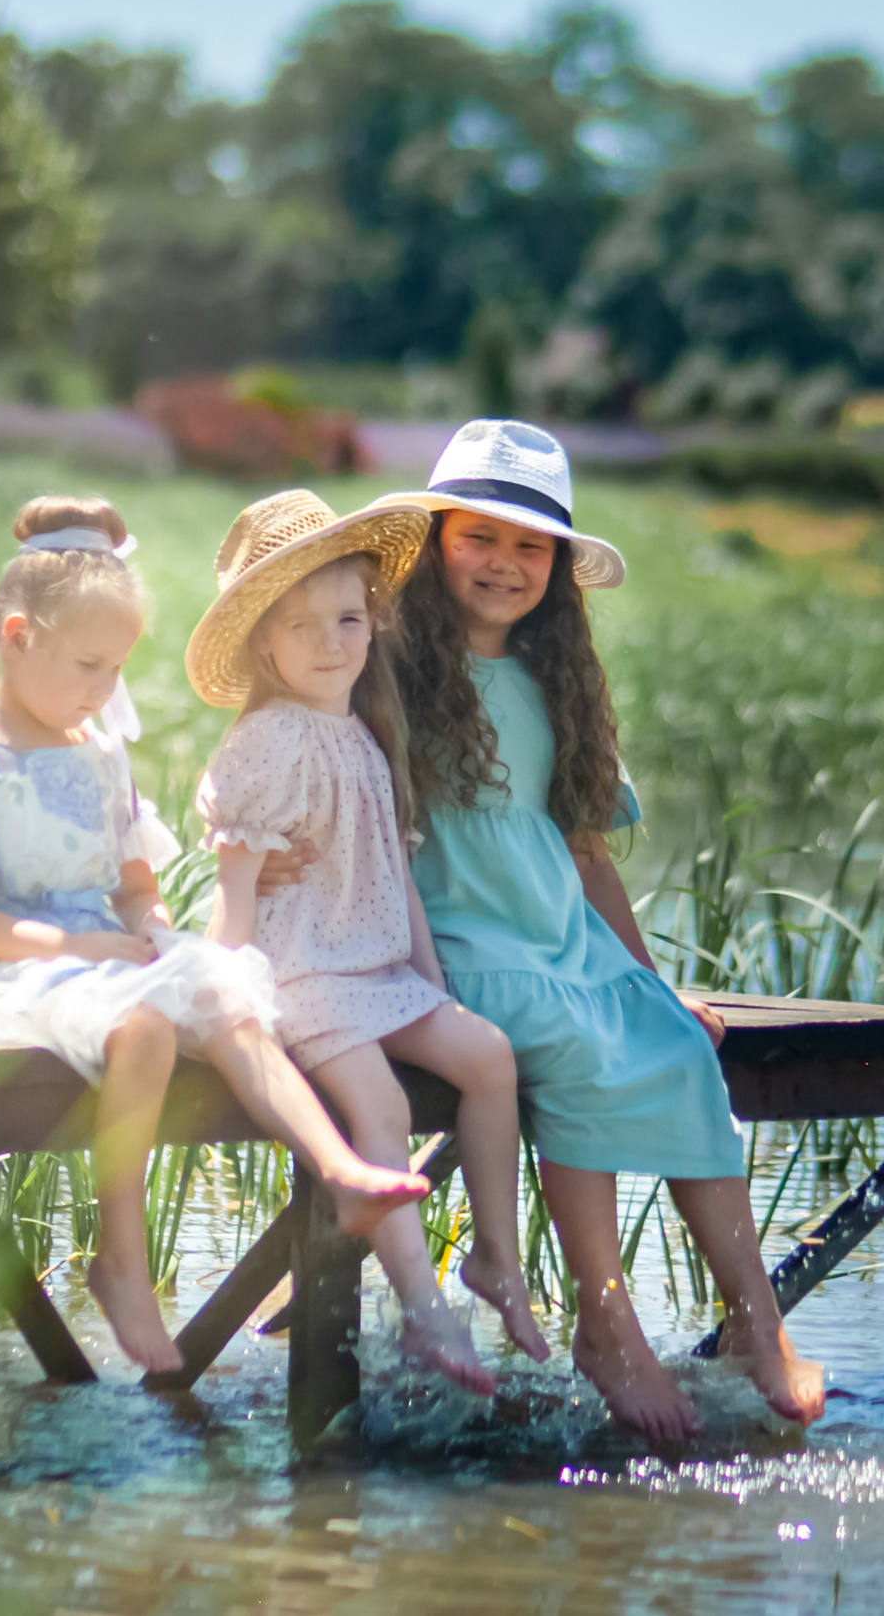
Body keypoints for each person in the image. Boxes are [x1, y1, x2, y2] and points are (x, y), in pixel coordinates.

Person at [0, 496, 428, 1375]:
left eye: (116, 668)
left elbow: (132, 887)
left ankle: (338, 1169)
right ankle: (121, 1257)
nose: (102, 690)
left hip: (100, 949)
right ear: (17, 637)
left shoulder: (100, 756)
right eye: (88, 665)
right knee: (145, 1028)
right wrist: (86, 950)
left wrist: (161, 939)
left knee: (230, 1001)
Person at [375, 421, 827, 1440]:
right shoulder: (391, 672)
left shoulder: (557, 680)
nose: (503, 563)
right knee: (576, 1045)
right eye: (478, 538)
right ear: (432, 540)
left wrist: (647, 979)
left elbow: (586, 855)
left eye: (530, 547)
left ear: (559, 570)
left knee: (672, 1046)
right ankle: (606, 1322)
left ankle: (757, 1324)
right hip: (455, 947)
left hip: (556, 938)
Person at [188, 491, 553, 1397]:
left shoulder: (365, 735)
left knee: (489, 1055)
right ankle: (425, 1309)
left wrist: (436, 995)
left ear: (373, 620)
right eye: (300, 626)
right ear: (263, 645)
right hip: (301, 974)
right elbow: (237, 892)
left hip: (379, 970)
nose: (328, 643)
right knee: (381, 1106)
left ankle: (496, 1260)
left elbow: (397, 883)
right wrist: (225, 997)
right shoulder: (263, 747)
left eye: (346, 619)